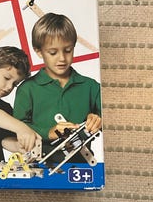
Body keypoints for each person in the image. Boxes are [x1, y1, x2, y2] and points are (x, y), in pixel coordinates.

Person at [13, 13, 102, 160]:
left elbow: (115, 118)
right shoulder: (27, 89)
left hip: (83, 165)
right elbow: (17, 127)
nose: (62, 58)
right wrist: (48, 133)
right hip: (39, 165)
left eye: (68, 50)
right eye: (53, 52)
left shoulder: (91, 86)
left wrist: (99, 120)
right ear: (38, 51)